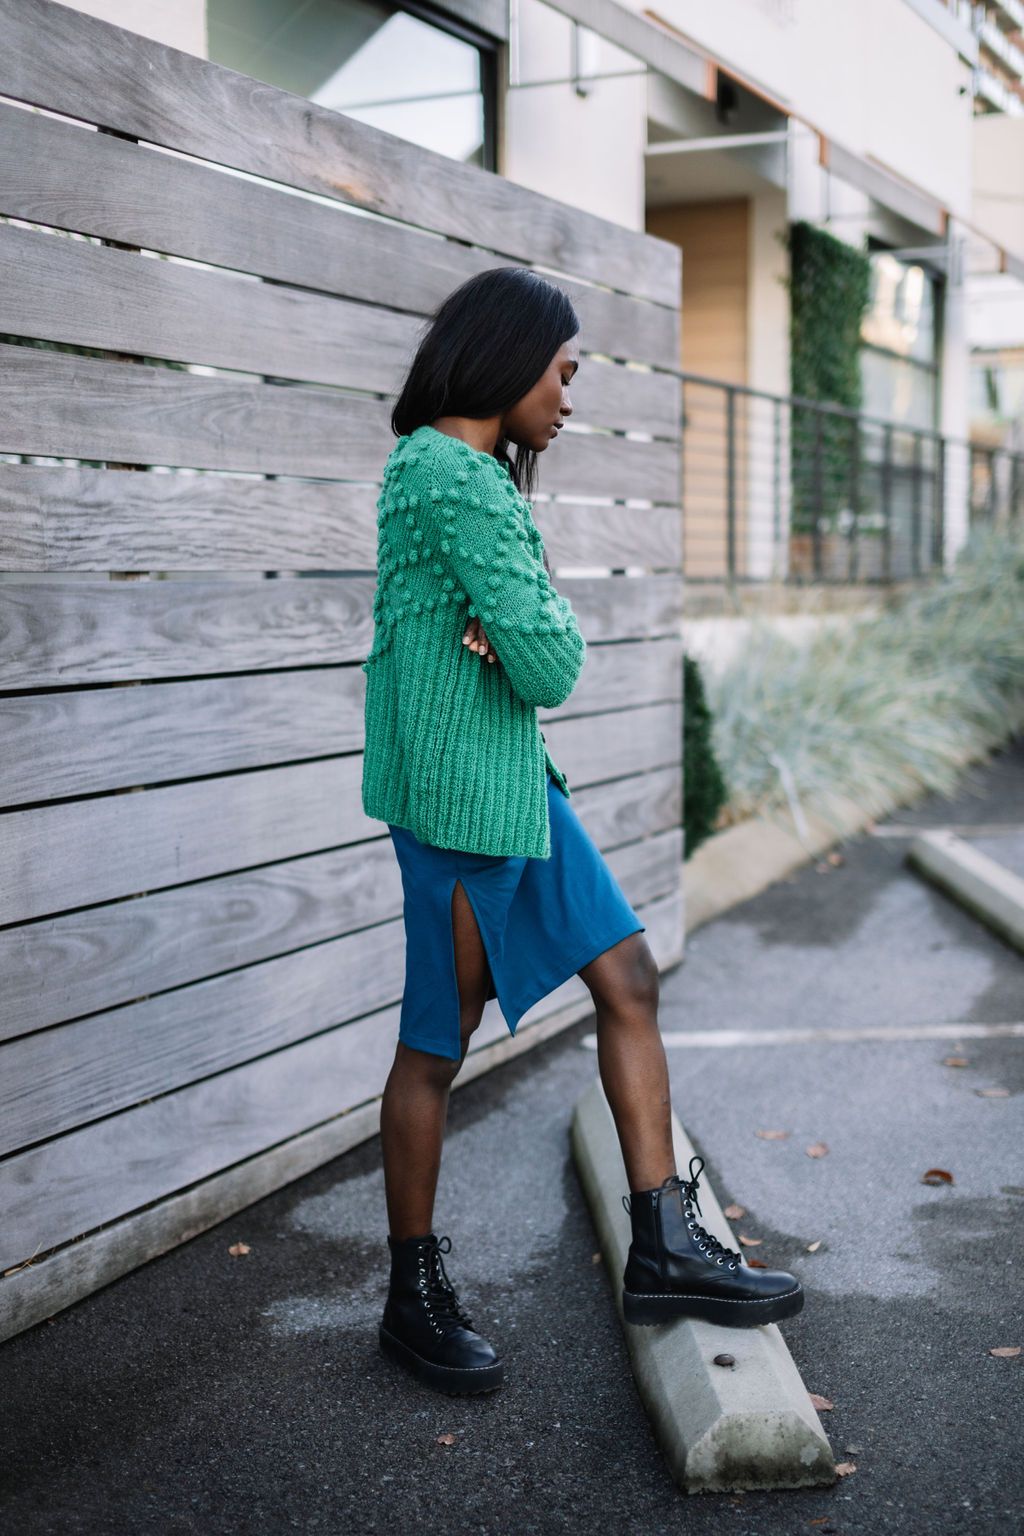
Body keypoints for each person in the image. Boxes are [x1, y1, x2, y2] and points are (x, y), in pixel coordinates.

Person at [360, 267, 803, 1397]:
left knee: (629, 976)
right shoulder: (447, 474)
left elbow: (536, 643)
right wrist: (527, 634)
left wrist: (518, 631)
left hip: (519, 792)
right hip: (462, 813)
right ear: (507, 359)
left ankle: (662, 1247)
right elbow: (556, 658)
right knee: (435, 1046)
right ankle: (411, 1297)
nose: (568, 398)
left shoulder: (471, 480)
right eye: (561, 373)